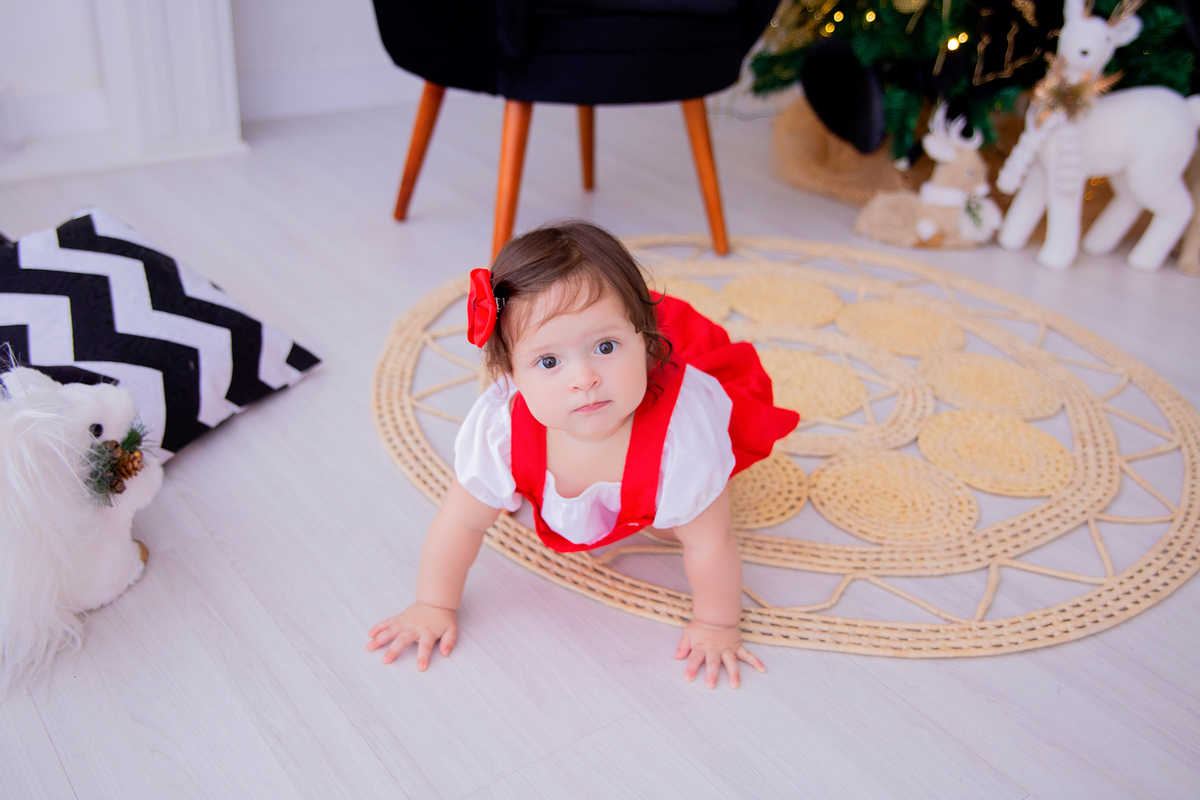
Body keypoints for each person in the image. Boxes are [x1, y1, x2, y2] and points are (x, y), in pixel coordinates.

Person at [367, 222, 799, 688]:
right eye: (549, 362)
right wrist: (434, 604)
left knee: (685, 521)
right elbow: (461, 521)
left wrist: (718, 625)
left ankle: (661, 497)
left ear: (647, 343)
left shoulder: (682, 436)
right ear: (510, 373)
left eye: (607, 347)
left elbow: (710, 544)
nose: (585, 377)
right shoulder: (501, 431)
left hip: (666, 452)